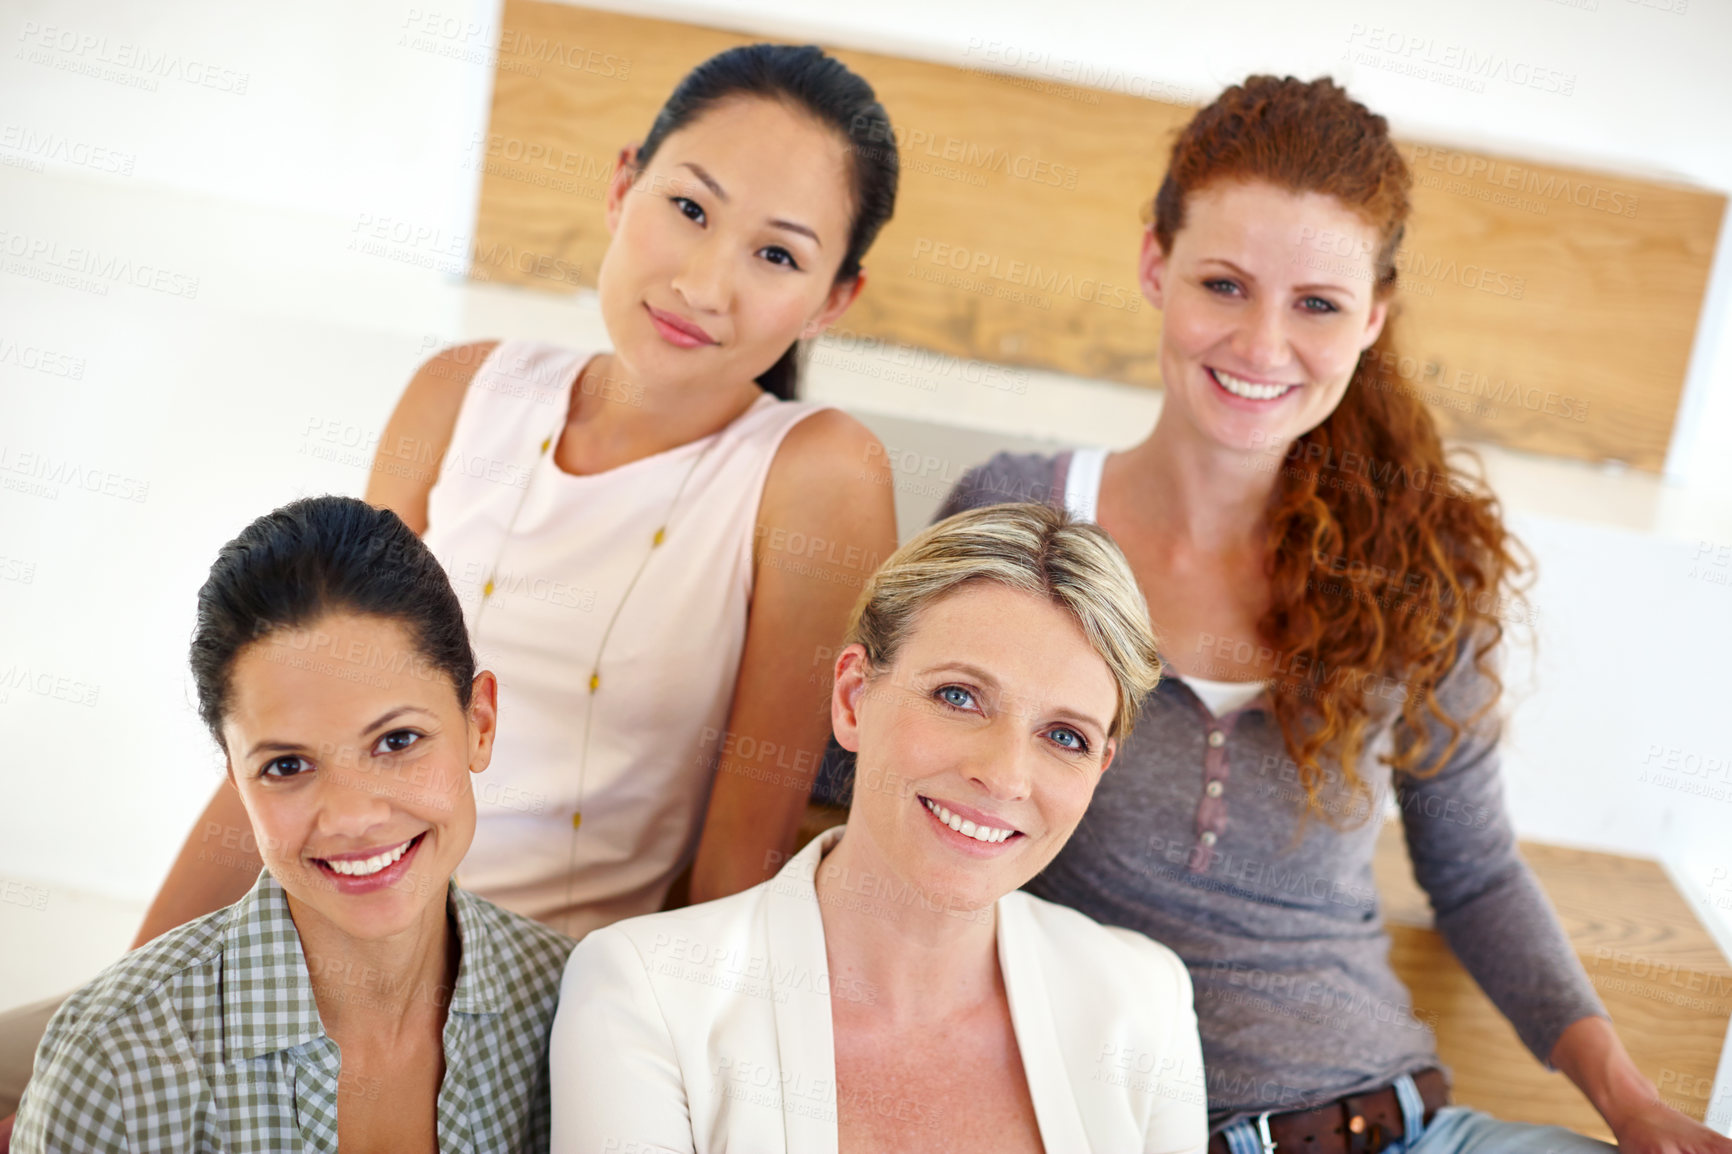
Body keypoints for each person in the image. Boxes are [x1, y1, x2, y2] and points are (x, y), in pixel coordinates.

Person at [821, 76, 1731, 1153]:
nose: (1262, 345)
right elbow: (861, 792)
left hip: (1397, 1119)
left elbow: (1475, 868)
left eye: (1316, 304)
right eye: (1224, 283)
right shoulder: (1016, 518)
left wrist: (1628, 1101)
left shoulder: (1419, 567)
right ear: (1154, 264)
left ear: (1373, 318)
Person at [548, 503, 1207, 1152]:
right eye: (959, 696)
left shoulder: (1146, 1003)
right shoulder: (645, 991)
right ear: (853, 698)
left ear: (1100, 768)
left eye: (1065, 736)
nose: (1004, 776)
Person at [12, 496, 575, 1153]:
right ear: (235, 776)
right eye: (286, 764)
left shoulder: (572, 1009)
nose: (353, 817)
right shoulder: (114, 1063)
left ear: (479, 725)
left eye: (397, 741)